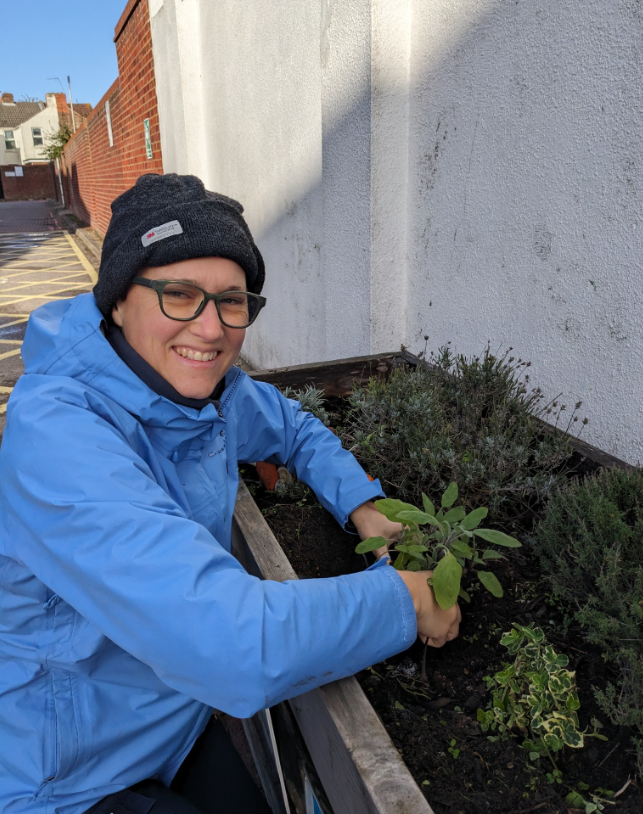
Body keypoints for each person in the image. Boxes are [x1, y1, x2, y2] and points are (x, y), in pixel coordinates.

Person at [0, 174, 460, 814]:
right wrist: (405, 602)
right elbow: (233, 644)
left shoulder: (210, 393)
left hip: (172, 719)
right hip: (64, 775)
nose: (212, 329)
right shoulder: (58, 437)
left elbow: (295, 428)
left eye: (233, 300)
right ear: (116, 301)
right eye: (179, 294)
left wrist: (364, 508)